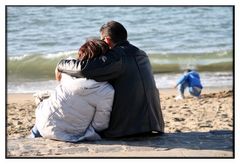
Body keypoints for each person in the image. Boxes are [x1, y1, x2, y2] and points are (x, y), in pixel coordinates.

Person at [57, 20, 165, 138]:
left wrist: (61, 64)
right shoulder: (141, 54)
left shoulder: (117, 56)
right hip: (154, 124)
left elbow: (83, 69)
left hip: (126, 129)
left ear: (107, 40)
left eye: (102, 41)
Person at [29, 39, 115, 142]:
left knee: (48, 112)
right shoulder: (106, 91)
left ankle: (32, 137)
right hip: (67, 134)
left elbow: (59, 71)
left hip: (42, 123)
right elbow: (100, 124)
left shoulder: (67, 71)